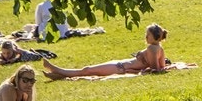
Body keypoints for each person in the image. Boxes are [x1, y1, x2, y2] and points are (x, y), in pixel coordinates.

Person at [40, 24, 168, 79]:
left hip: (120, 68)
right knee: (88, 71)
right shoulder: (159, 48)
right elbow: (162, 66)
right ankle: (58, 74)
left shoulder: (152, 48)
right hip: (121, 65)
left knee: (88, 70)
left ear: (155, 36)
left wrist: (138, 70)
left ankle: (57, 70)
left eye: (148, 35)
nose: (146, 37)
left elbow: (156, 69)